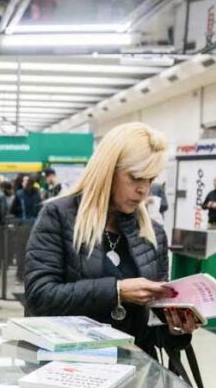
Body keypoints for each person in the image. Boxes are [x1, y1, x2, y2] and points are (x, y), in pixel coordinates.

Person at [24, 123, 198, 360]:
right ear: (108, 171)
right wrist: (116, 291)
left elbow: (153, 334)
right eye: (136, 178)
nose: (143, 190)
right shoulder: (58, 217)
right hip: (68, 368)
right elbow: (40, 296)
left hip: (134, 374)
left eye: (150, 180)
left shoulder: (152, 234)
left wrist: (176, 330)